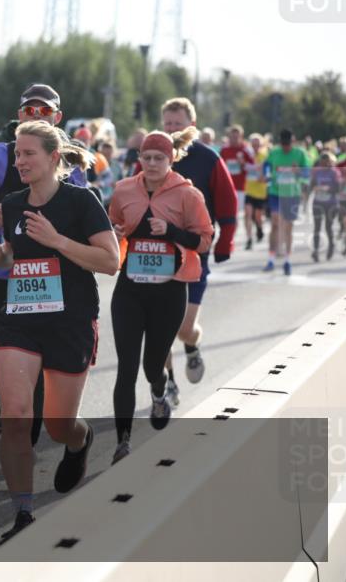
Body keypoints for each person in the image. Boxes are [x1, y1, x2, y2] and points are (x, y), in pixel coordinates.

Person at [0, 120, 119, 542]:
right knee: (16, 415)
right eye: (16, 154)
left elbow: (110, 262)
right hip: (19, 319)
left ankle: (79, 440)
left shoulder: (82, 201)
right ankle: (22, 513)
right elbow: (15, 255)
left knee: (58, 424)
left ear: (54, 158)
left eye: (28, 154)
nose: (19, 161)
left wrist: (58, 240)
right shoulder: (15, 204)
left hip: (70, 321)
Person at [0, 83, 84, 432]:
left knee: (37, 349)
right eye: (30, 111)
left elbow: (83, 211)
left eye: (44, 111)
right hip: (5, 269)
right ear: (19, 115)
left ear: (57, 117)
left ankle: (21, 417)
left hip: (50, 273)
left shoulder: (73, 157)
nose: (36, 116)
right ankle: (11, 379)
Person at [108, 127, 213, 463]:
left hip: (169, 292)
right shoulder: (124, 190)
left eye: (159, 158)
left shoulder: (188, 195)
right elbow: (111, 227)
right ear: (139, 159)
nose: (151, 163)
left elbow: (204, 240)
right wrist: (117, 231)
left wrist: (171, 231)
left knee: (152, 363)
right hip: (130, 289)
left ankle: (158, 389)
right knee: (125, 367)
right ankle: (122, 443)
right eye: (146, 157)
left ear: (171, 160)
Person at [157, 98, 237, 402]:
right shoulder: (156, 155)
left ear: (192, 125)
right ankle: (167, 384)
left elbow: (227, 202)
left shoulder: (208, 158)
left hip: (195, 252)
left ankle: (191, 346)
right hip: (158, 253)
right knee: (161, 325)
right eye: (167, 124)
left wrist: (226, 241)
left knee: (183, 328)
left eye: (177, 124)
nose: (172, 129)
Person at [263, 129, 310, 275]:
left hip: (291, 194)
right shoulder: (275, 153)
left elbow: (308, 172)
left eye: (288, 144)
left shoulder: (300, 153)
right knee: (275, 223)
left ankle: (287, 261)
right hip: (276, 193)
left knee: (288, 227)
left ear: (293, 142)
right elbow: (266, 165)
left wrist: (299, 171)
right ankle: (271, 259)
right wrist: (267, 175)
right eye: (283, 144)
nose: (285, 147)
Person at [219, 125, 256, 250]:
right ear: (229, 137)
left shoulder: (246, 150)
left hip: (243, 188)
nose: (234, 139)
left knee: (246, 215)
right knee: (232, 215)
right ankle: (231, 240)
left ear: (241, 137)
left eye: (237, 137)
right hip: (229, 188)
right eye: (232, 137)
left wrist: (243, 164)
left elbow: (254, 168)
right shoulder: (224, 150)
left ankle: (249, 238)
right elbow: (219, 167)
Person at [308, 151, 342, 262]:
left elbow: (338, 188)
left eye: (326, 162)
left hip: (331, 204)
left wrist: (328, 188)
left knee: (328, 227)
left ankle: (331, 246)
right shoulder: (317, 172)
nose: (324, 164)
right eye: (322, 162)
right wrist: (314, 188)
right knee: (317, 227)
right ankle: (315, 251)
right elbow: (311, 185)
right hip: (318, 202)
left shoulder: (334, 173)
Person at [244, 133, 269, 247]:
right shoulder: (247, 155)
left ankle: (259, 229)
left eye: (257, 144)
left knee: (258, 216)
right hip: (249, 189)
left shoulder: (265, 156)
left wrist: (264, 178)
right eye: (253, 144)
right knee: (248, 214)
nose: (255, 147)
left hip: (260, 190)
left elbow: (268, 171)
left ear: (261, 145)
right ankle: (249, 239)